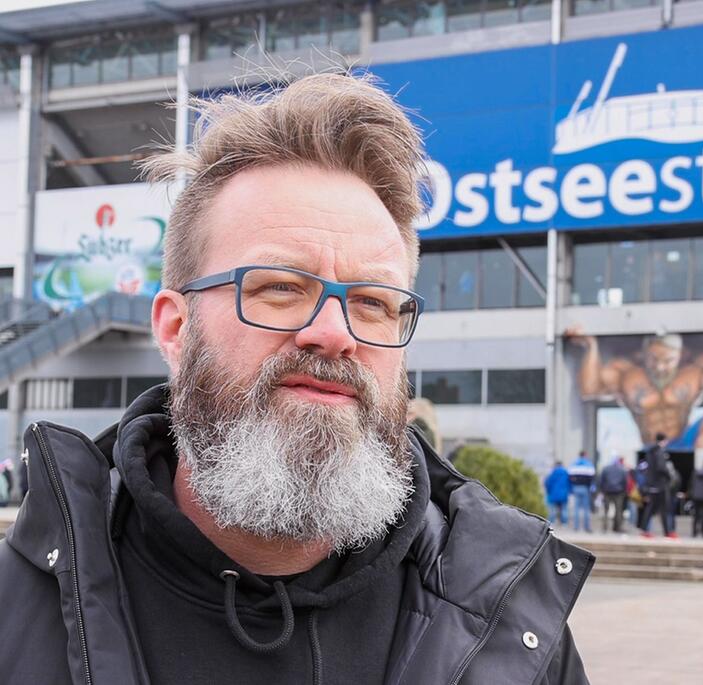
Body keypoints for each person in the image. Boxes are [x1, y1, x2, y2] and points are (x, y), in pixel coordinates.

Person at [0, 72, 591, 683]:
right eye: (281, 288)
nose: (336, 332)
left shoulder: (513, 629)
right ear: (175, 329)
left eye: (372, 302)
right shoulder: (18, 613)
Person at [565, 323, 703, 463]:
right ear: (644, 355)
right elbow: (589, 389)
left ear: (680, 356)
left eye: (668, 360)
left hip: (683, 443)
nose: (660, 367)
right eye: (654, 359)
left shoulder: (693, 372)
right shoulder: (628, 374)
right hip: (648, 447)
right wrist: (590, 346)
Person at [639, 433, 677, 539]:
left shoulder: (650, 452)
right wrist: (669, 476)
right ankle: (668, 532)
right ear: (663, 440)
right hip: (660, 484)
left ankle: (644, 530)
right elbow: (661, 467)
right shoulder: (659, 451)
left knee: (651, 508)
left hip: (652, 484)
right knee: (664, 508)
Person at [597, 455, 628, 533]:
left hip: (607, 491)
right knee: (618, 510)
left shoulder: (606, 468)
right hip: (618, 492)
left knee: (606, 510)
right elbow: (625, 481)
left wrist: (601, 490)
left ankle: (605, 527)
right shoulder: (622, 469)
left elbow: (601, 480)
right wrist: (623, 491)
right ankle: (617, 527)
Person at [568, 451, 596, 533]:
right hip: (585, 488)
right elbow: (592, 477)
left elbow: (569, 477)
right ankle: (587, 527)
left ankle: (576, 527)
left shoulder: (573, 464)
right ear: (585, 455)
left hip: (576, 488)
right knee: (586, 509)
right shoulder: (589, 464)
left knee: (576, 508)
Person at [544, 460, 571, 526]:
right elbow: (569, 483)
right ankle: (564, 523)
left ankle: (551, 522)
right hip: (563, 494)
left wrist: (549, 491)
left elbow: (548, 483)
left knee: (552, 509)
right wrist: (569, 491)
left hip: (554, 494)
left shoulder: (553, 473)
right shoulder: (566, 473)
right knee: (564, 509)